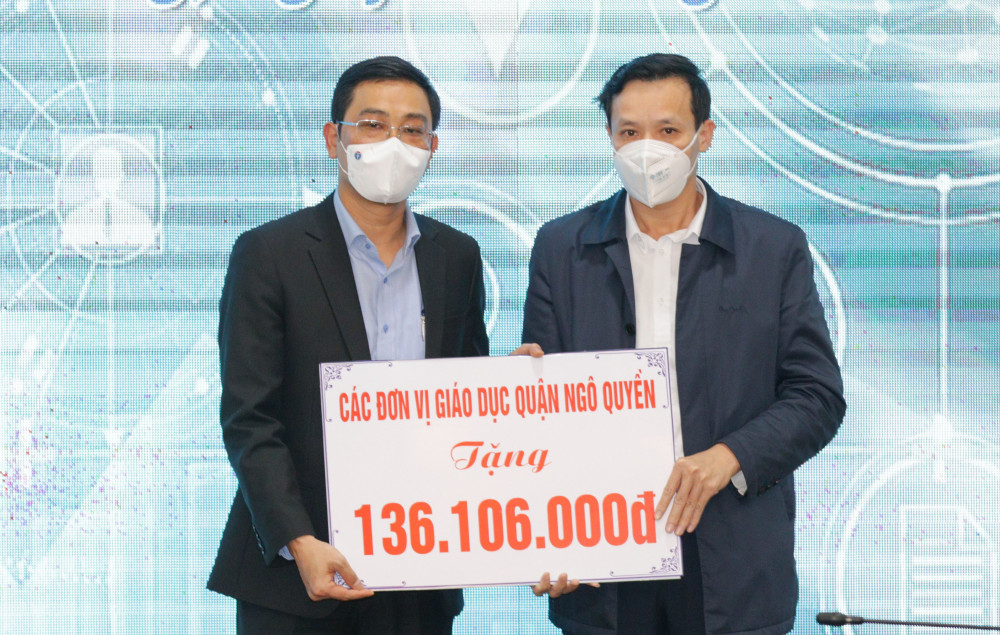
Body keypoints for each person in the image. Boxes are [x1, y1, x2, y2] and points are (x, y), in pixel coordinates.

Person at [522, 53, 846, 634]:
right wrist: (519, 391)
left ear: (705, 136)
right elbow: (543, 410)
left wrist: (730, 457)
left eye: (668, 130)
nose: (648, 149)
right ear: (609, 137)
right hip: (602, 556)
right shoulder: (561, 247)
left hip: (733, 556)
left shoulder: (772, 248)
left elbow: (817, 396)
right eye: (630, 132)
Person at [207, 56, 489, 634]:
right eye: (373, 124)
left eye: (413, 129)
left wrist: (517, 390)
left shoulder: (456, 257)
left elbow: (465, 397)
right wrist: (298, 540)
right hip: (298, 579)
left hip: (421, 573)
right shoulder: (270, 254)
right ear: (334, 138)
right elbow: (249, 417)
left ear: (432, 147)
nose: (394, 143)